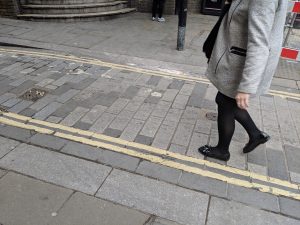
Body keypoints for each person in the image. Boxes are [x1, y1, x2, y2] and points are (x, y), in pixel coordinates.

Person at [199, 0, 288, 161]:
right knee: (226, 101)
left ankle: (222, 151)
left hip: (243, 61)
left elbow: (259, 42)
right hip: (241, 57)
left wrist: (246, 87)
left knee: (225, 102)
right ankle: (255, 135)